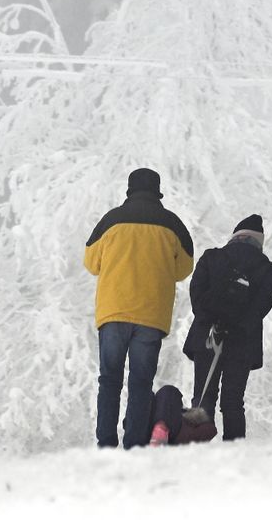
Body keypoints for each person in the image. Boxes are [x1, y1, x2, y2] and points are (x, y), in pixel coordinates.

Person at [83, 167, 194, 448]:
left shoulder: (111, 221)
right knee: (141, 382)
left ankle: (106, 441)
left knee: (109, 379)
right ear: (157, 192)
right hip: (151, 315)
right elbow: (184, 268)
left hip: (113, 311)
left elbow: (90, 263)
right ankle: (135, 442)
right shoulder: (172, 225)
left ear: (129, 191)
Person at [184, 214, 272, 441]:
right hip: (243, 343)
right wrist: (238, 325)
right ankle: (234, 455)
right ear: (259, 241)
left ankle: (196, 452)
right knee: (233, 402)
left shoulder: (211, 257)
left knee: (202, 397)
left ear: (235, 236)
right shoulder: (268, 269)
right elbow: (261, 307)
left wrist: (213, 318)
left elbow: (196, 296)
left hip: (209, 335)